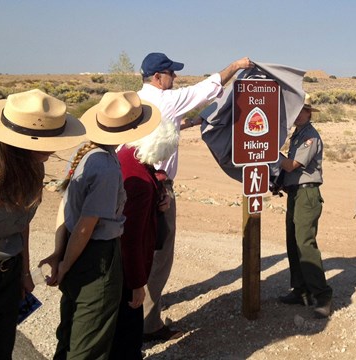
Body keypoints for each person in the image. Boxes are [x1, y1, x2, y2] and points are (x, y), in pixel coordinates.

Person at [0, 89, 85, 359]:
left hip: (8, 276)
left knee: (1, 349)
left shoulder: (34, 167)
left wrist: (23, 272)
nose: (52, 149)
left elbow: (21, 224)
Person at [137, 52, 253, 341]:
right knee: (159, 254)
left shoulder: (139, 100)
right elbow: (208, 88)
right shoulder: (166, 99)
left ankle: (133, 310)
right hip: (158, 186)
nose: (174, 78)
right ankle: (149, 324)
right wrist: (236, 66)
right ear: (157, 78)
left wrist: (188, 123)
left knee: (137, 248)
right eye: (170, 74)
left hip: (134, 182)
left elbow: (167, 123)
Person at [40, 91, 160, 359]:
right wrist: (66, 264)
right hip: (96, 257)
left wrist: (61, 255)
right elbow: (87, 225)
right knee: (90, 342)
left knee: (69, 332)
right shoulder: (106, 166)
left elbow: (66, 209)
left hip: (75, 248)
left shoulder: (83, 153)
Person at [110, 114, 176, 358]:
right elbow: (131, 238)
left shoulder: (130, 156)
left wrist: (159, 190)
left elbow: (151, 171)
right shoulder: (137, 180)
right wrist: (138, 284)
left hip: (120, 268)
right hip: (127, 274)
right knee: (127, 332)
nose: (163, 159)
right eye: (163, 153)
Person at [277, 93, 333, 319]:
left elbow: (292, 165)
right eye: (296, 110)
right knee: (293, 242)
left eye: (302, 110)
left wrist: (270, 151)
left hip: (307, 194)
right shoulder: (298, 134)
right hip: (295, 193)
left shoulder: (310, 136)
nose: (298, 114)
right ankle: (300, 290)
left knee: (305, 244)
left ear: (309, 113)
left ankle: (322, 295)